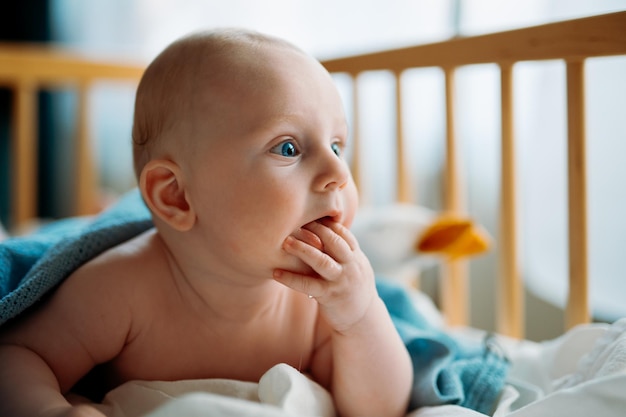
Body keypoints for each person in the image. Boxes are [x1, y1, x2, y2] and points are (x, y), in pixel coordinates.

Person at [0, 29, 413, 417]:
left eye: (338, 146)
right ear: (175, 196)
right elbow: (19, 356)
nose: (337, 171)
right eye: (288, 147)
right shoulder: (121, 287)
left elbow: (378, 408)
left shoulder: (321, 301)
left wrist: (359, 317)